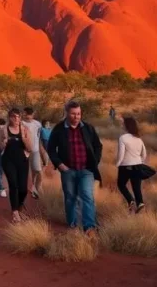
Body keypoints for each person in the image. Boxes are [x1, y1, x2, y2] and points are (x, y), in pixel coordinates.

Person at [45, 101, 103, 235]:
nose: (76, 117)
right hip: (68, 170)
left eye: (79, 114)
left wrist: (95, 162)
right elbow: (51, 148)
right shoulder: (59, 129)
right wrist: (59, 164)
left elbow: (98, 146)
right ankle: (73, 224)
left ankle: (89, 227)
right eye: (73, 114)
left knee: (87, 196)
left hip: (86, 169)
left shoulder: (88, 128)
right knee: (70, 197)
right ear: (66, 113)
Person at [1, 108, 35, 222]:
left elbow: (31, 147)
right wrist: (3, 143)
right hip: (8, 160)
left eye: (18, 117)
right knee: (13, 185)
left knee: (23, 189)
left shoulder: (25, 129)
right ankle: (15, 211)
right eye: (13, 116)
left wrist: (25, 140)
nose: (16, 119)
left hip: (22, 160)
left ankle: (20, 203)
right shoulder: (3, 129)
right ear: (9, 117)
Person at [116, 116, 148, 213]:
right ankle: (140, 203)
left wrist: (117, 164)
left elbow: (121, 155)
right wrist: (140, 161)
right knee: (136, 187)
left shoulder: (123, 138)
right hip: (138, 165)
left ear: (126, 125)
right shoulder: (139, 139)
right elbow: (144, 154)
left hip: (125, 166)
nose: (122, 125)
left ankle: (130, 200)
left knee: (121, 184)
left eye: (123, 123)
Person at [22, 107, 45, 199]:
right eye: (26, 114)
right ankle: (31, 187)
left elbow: (39, 138)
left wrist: (42, 150)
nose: (28, 116)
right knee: (28, 171)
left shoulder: (38, 124)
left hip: (35, 150)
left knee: (38, 170)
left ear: (33, 114)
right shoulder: (21, 124)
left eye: (29, 114)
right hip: (24, 151)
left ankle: (37, 187)